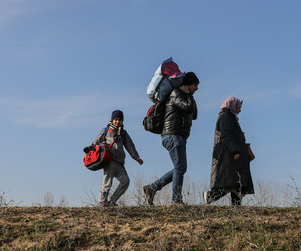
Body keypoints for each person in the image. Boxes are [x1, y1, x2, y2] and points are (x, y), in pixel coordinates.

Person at [143, 72, 199, 205]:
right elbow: (188, 107)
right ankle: (176, 200)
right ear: (188, 84)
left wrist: (189, 94)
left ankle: (152, 188)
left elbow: (194, 114)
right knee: (180, 168)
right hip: (173, 134)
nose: (197, 88)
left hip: (178, 135)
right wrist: (188, 94)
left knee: (180, 168)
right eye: (195, 85)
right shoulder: (176, 93)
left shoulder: (185, 95)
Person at [203, 97, 254, 206]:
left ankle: (235, 205)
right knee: (229, 182)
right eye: (238, 107)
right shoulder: (225, 117)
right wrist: (234, 151)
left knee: (236, 182)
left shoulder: (231, 117)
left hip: (232, 155)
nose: (239, 110)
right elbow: (226, 136)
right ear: (232, 106)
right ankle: (210, 197)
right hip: (228, 155)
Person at [91, 110, 143, 207]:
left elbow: (130, 146)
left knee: (125, 182)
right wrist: (88, 154)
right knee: (107, 183)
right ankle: (102, 203)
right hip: (109, 161)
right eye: (115, 119)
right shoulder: (106, 130)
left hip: (120, 163)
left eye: (120, 120)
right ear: (112, 120)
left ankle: (112, 202)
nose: (117, 122)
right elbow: (95, 143)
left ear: (122, 121)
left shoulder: (123, 133)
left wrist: (136, 157)